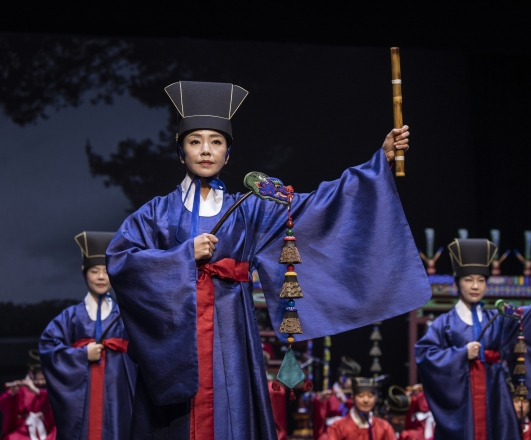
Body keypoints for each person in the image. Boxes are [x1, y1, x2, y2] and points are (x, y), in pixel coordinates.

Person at [106, 81, 431, 440]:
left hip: (231, 326)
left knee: (232, 411)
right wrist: (184, 256)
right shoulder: (156, 213)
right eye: (194, 141)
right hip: (178, 339)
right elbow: (122, 261)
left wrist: (378, 161)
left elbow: (315, 206)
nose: (205, 150)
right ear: (180, 151)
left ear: (228, 154)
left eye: (216, 142)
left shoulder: (252, 207)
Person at [415, 238, 531, 440]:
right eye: (468, 279)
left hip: (495, 395)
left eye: (481, 280)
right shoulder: (444, 323)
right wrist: (461, 354)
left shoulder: (497, 317)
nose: (475, 286)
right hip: (463, 400)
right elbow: (424, 354)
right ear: (457, 282)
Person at [39, 232, 137, 440]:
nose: (101, 277)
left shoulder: (125, 314)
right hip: (84, 393)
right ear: (85, 274)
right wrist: (83, 355)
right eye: (94, 271)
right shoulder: (71, 316)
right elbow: (49, 347)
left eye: (106, 271)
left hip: (119, 391)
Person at [0, 351, 56, 440]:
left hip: (48, 429)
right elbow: (6, 408)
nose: (45, 376)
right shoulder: (22, 390)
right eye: (41, 373)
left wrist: (38, 392)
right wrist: (12, 395)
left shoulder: (55, 389)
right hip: (25, 430)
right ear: (31, 373)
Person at [327, 378, 396, 440]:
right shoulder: (338, 427)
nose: (366, 400)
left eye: (370, 396)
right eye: (361, 396)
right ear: (353, 397)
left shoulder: (384, 428)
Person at [314, 356, 360, 439]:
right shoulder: (329, 395)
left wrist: (346, 402)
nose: (353, 383)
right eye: (351, 380)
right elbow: (319, 419)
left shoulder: (354, 396)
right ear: (341, 378)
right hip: (331, 433)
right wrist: (319, 402)